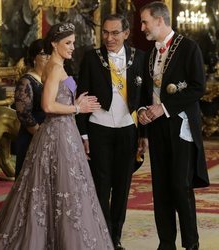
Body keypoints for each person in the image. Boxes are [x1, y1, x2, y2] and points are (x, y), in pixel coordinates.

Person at [0, 22, 114, 250]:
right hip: (57, 134)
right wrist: (77, 109)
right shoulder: (53, 67)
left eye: (73, 43)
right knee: (58, 187)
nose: (73, 47)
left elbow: (60, 99)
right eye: (68, 43)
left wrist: (76, 103)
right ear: (54, 43)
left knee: (64, 188)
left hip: (65, 132)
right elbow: (47, 105)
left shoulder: (59, 66)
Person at [139, 2, 210, 250]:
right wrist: (143, 114)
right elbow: (146, 94)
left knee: (180, 186)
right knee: (161, 189)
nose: (142, 27)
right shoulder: (150, 54)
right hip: (157, 129)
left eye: (145, 21)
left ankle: (191, 244)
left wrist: (164, 108)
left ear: (160, 20)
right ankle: (166, 243)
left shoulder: (189, 47)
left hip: (181, 127)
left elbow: (198, 87)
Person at [76, 14, 148, 250]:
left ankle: (115, 236)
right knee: (101, 185)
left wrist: (143, 135)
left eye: (115, 33)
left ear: (126, 33)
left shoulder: (139, 58)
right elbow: (82, 97)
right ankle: (102, 235)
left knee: (122, 185)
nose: (109, 38)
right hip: (99, 129)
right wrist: (83, 134)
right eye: (105, 32)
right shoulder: (91, 58)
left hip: (128, 129)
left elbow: (144, 100)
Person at [14, 38, 48, 178]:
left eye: (50, 53)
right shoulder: (27, 81)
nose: (48, 57)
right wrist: (42, 137)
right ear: (34, 58)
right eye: (44, 54)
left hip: (52, 136)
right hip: (32, 138)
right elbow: (24, 115)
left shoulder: (54, 77)